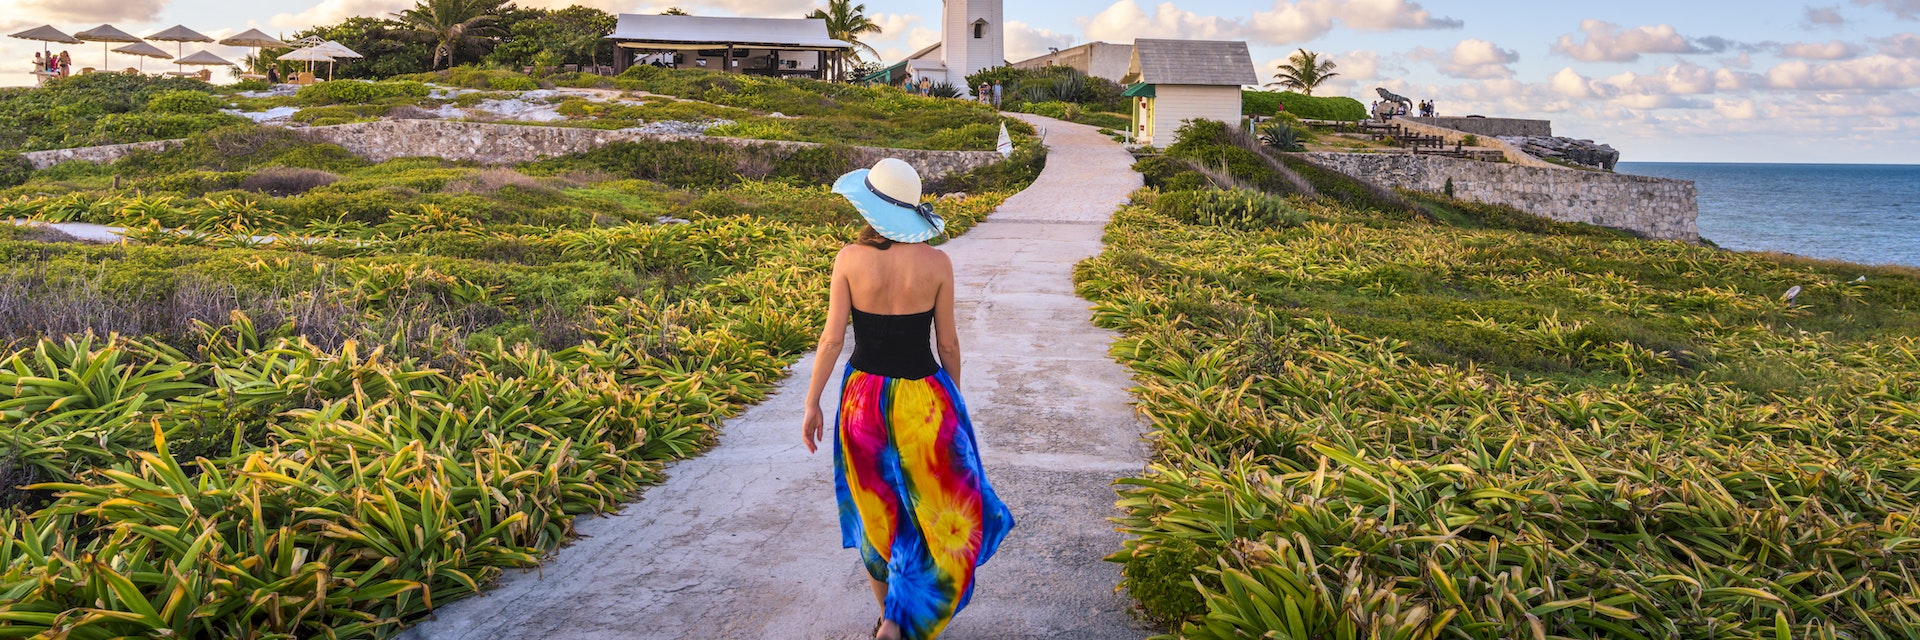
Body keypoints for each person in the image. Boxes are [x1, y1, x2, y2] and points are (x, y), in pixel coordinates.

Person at [807, 158, 1014, 640]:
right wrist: (954, 404)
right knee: (934, 508)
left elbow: (831, 341)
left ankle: (888, 619)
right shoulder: (937, 263)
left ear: (870, 207)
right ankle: (905, 618)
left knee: (876, 508)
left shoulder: (849, 260)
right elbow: (949, 345)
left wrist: (812, 402)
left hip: (862, 399)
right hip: (924, 399)